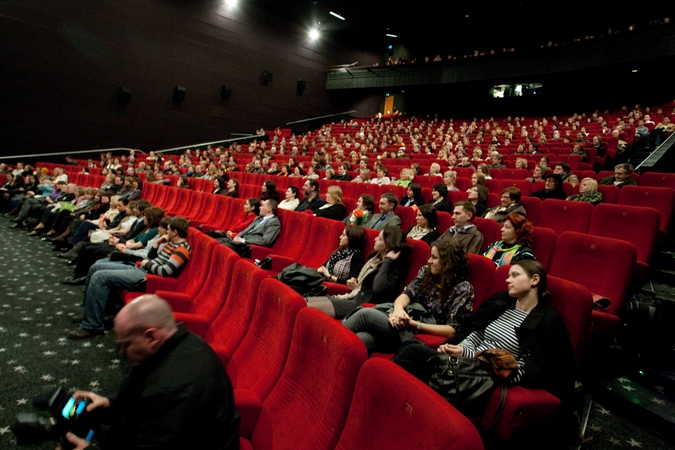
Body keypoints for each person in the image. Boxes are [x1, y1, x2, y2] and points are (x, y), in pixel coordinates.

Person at [392, 260, 575, 427]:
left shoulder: (547, 321)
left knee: (413, 354)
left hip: (487, 375)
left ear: (535, 280)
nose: (507, 280)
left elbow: (524, 369)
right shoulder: (503, 304)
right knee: (410, 351)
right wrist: (462, 348)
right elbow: (478, 333)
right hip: (466, 364)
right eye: (508, 275)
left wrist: (469, 356)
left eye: (515, 275)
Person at [61, 295, 240, 450]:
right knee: (80, 417)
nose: (121, 352)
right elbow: (140, 388)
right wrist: (111, 403)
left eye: (126, 344)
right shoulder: (185, 341)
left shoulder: (169, 391)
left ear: (151, 336)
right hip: (165, 436)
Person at [68, 216, 192, 339]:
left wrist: (147, 263)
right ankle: (89, 313)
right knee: (96, 267)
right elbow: (152, 257)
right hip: (142, 269)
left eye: (169, 229)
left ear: (175, 232)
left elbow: (165, 271)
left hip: (147, 277)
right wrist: (157, 243)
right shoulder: (170, 243)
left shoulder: (181, 249)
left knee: (99, 277)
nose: (167, 232)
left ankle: (92, 326)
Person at [343, 238, 474, 354]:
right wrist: (399, 310)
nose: (429, 261)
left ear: (448, 261)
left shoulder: (463, 288)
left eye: (434, 257)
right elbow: (406, 295)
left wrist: (413, 324)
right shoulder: (426, 272)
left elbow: (452, 330)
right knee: (359, 341)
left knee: (364, 315)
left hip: (415, 331)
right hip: (402, 320)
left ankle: (329, 341)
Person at [306, 226, 408, 319]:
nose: (375, 239)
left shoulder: (397, 267)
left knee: (307, 307)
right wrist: (355, 285)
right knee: (303, 302)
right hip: (353, 297)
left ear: (389, 245)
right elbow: (362, 285)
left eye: (380, 239)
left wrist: (387, 261)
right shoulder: (374, 259)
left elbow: (378, 289)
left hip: (364, 306)